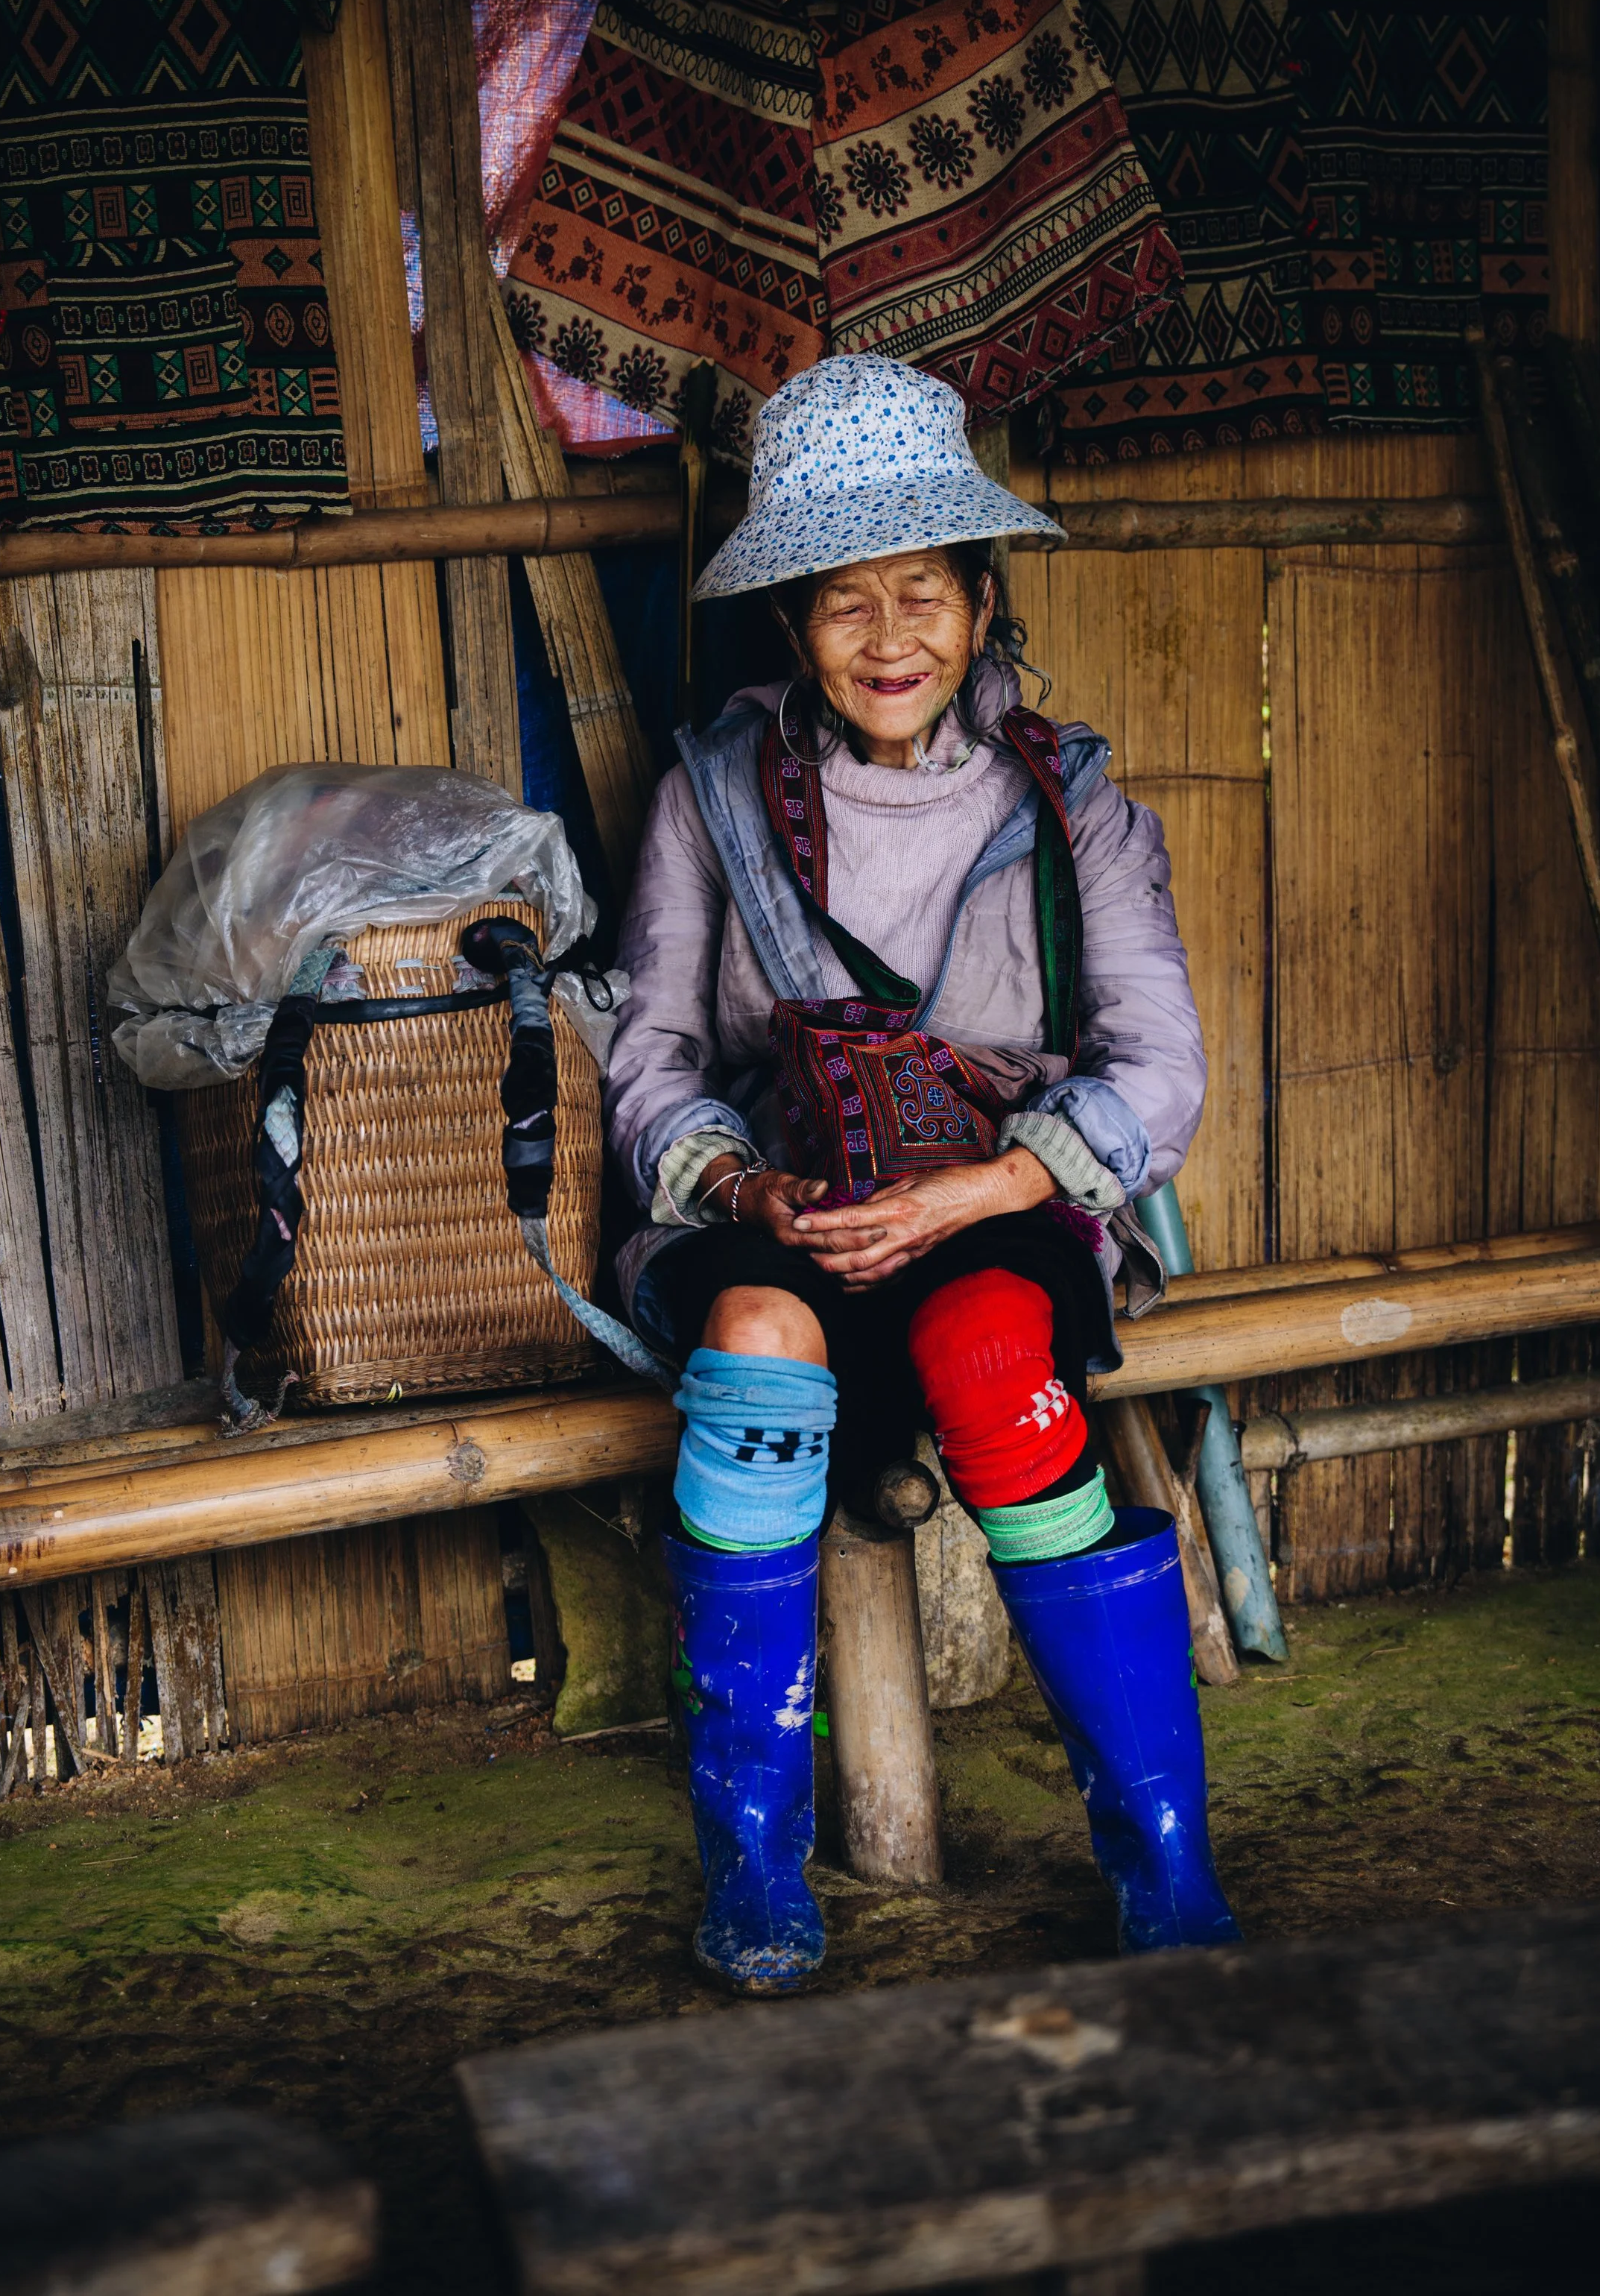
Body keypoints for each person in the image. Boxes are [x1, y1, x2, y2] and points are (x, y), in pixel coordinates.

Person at [604, 352, 1240, 1991]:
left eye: (921, 594)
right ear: (790, 627)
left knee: (983, 1346)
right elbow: (652, 1061)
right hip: (782, 1218)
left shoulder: (1066, 802)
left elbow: (1157, 1066)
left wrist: (975, 1192)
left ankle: (1159, 1856)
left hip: (993, 1216)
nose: (886, 639)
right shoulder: (709, 795)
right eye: (840, 604)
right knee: (753, 1345)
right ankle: (749, 1863)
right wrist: (748, 1194)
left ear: (978, 597)